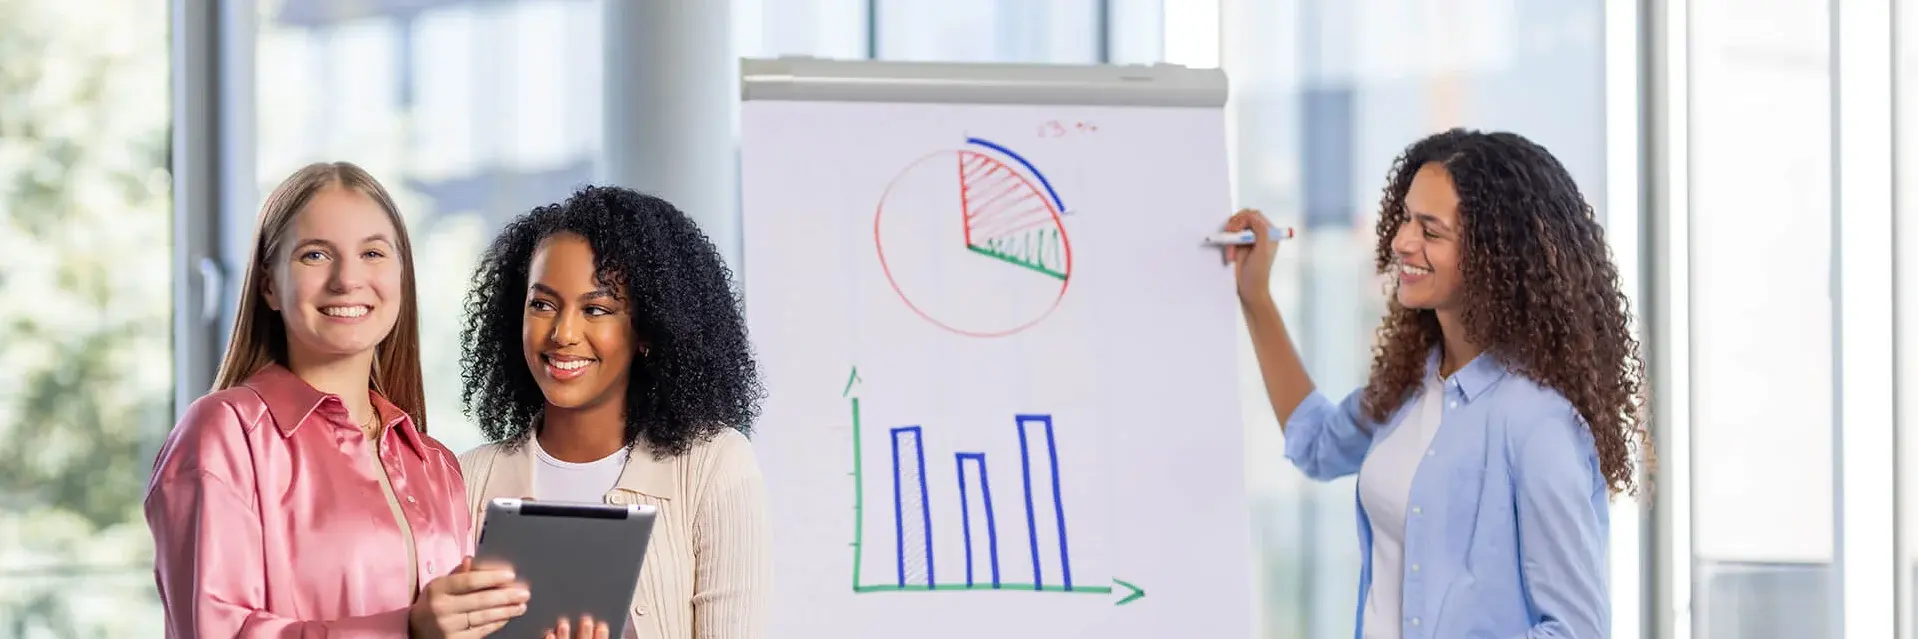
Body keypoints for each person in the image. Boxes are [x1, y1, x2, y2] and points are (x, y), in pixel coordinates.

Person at [1223, 128, 1654, 639]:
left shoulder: (1538, 424)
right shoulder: (1409, 385)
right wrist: (1257, 299)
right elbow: (1317, 443)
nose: (1402, 241)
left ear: (1495, 255)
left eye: (1430, 231)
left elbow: (1576, 631)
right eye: (1406, 218)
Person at [144, 161, 535, 637]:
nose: (347, 279)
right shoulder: (225, 433)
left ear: (401, 275)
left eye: (373, 253)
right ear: (268, 284)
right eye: (314, 255)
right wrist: (406, 631)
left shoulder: (435, 464)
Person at [457, 185, 770, 639]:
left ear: (647, 330)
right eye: (542, 304)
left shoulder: (714, 466)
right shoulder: (467, 480)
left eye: (597, 308)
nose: (563, 333)